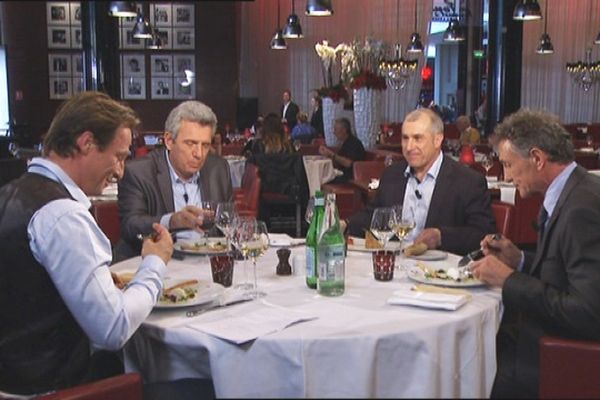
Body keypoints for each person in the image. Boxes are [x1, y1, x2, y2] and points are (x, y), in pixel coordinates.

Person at [0, 91, 173, 396]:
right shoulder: (62, 215)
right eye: (118, 156)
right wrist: (155, 263)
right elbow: (113, 328)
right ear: (87, 143)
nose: (120, 171)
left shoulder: (12, 193)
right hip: (52, 389)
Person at [471, 109, 600, 398]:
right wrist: (520, 260)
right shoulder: (574, 190)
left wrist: (509, 279)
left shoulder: (582, 209)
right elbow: (565, 276)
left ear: (538, 158)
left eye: (508, 164)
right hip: (547, 342)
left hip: (560, 358)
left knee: (470, 368)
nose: (505, 176)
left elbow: (589, 313)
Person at [346, 108, 496, 256]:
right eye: (405, 138)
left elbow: (483, 233)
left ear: (437, 140)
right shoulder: (392, 175)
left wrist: (441, 236)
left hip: (438, 271)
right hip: (396, 263)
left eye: (418, 138)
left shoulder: (468, 181)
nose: (409, 147)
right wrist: (344, 225)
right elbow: (373, 215)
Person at [116, 101, 233, 261]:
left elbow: (228, 222)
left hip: (208, 264)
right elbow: (130, 226)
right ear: (169, 141)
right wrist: (171, 221)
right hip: (159, 264)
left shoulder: (218, 169)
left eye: (205, 145)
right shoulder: (139, 172)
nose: (199, 154)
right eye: (190, 143)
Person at [318, 117, 366, 183]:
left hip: (350, 177)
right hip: (342, 173)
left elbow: (348, 163)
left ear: (344, 130)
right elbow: (338, 163)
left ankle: (318, 193)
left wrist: (332, 155)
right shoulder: (345, 142)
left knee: (320, 179)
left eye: (336, 129)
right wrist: (327, 155)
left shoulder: (354, 143)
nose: (334, 132)